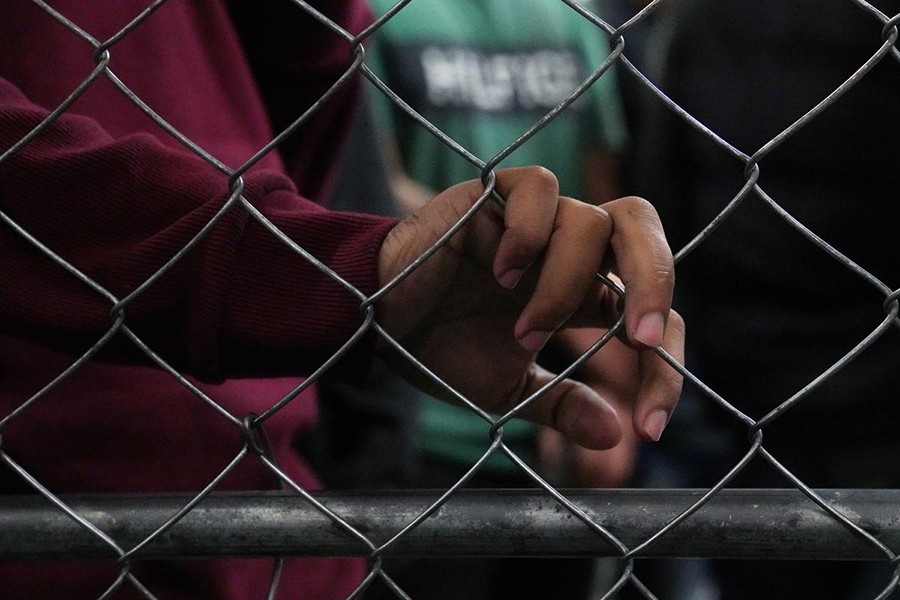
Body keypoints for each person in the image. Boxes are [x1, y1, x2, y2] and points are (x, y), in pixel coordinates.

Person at [0, 1, 684, 599]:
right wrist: (357, 273)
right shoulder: (420, 20)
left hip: (290, 510)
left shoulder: (563, 20)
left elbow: (316, 130)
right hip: (62, 524)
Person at [362, 1, 640, 596]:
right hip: (425, 407)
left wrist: (616, 388)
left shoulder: (574, 17)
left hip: (549, 411)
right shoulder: (372, 13)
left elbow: (601, 206)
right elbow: (369, 200)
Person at [632, 0, 900, 597]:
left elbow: (663, 195)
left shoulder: (699, 23)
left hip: (773, 387)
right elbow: (663, 195)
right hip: (756, 393)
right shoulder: (700, 25)